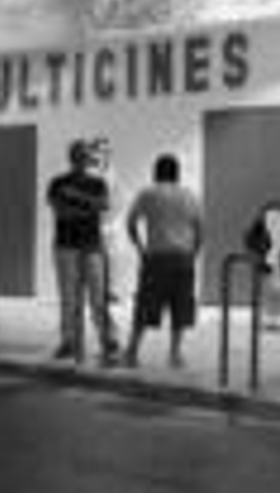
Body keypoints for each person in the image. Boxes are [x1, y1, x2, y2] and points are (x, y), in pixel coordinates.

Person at [124, 155, 203, 370]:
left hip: (156, 258)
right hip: (183, 259)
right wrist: (193, 255)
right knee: (180, 308)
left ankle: (132, 352)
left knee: (145, 306)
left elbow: (130, 222)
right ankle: (175, 355)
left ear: (156, 172)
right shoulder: (190, 196)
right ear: (177, 173)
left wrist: (140, 248)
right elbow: (200, 230)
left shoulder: (148, 194)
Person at [46, 139, 119, 364]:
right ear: (71, 158)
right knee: (68, 297)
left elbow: (104, 205)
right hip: (65, 245)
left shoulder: (98, 183)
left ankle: (108, 339)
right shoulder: (57, 182)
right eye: (77, 155)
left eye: (84, 155)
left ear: (87, 159)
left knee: (98, 296)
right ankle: (68, 341)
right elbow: (60, 212)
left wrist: (75, 198)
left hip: (92, 245)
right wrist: (88, 208)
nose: (81, 159)